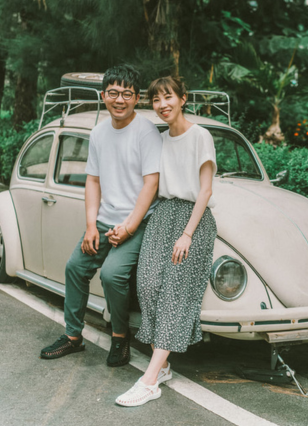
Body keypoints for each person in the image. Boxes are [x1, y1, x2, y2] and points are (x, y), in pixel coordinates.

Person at [40, 65, 162, 367]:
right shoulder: (98, 133)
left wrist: (130, 228)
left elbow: (152, 183)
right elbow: (92, 181)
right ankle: (72, 337)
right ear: (103, 95)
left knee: (111, 275)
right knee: (75, 267)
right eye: (113, 93)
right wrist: (91, 226)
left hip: (137, 222)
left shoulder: (146, 132)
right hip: (105, 220)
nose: (119, 100)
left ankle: (120, 339)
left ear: (137, 99)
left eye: (126, 94)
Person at [116, 76, 217, 407]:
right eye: (156, 100)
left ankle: (149, 379)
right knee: (147, 285)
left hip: (192, 220)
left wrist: (187, 234)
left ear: (183, 98)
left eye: (168, 97)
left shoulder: (200, 135)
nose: (162, 105)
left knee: (175, 293)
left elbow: (205, 190)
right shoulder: (159, 139)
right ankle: (164, 366)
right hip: (162, 217)